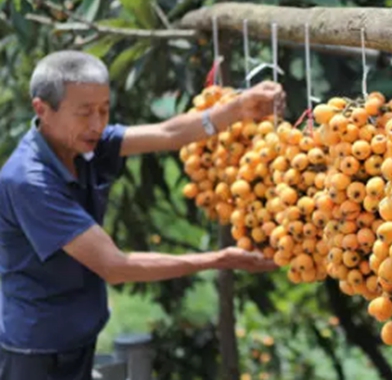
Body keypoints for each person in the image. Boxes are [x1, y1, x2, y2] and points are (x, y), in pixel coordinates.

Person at [0, 50, 284, 380]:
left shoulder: (82, 144)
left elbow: (168, 134)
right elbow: (115, 266)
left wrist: (237, 109)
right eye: (85, 113)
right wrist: (220, 259)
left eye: (104, 110)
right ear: (42, 110)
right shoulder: (30, 182)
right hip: (36, 350)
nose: (97, 124)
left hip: (75, 334)